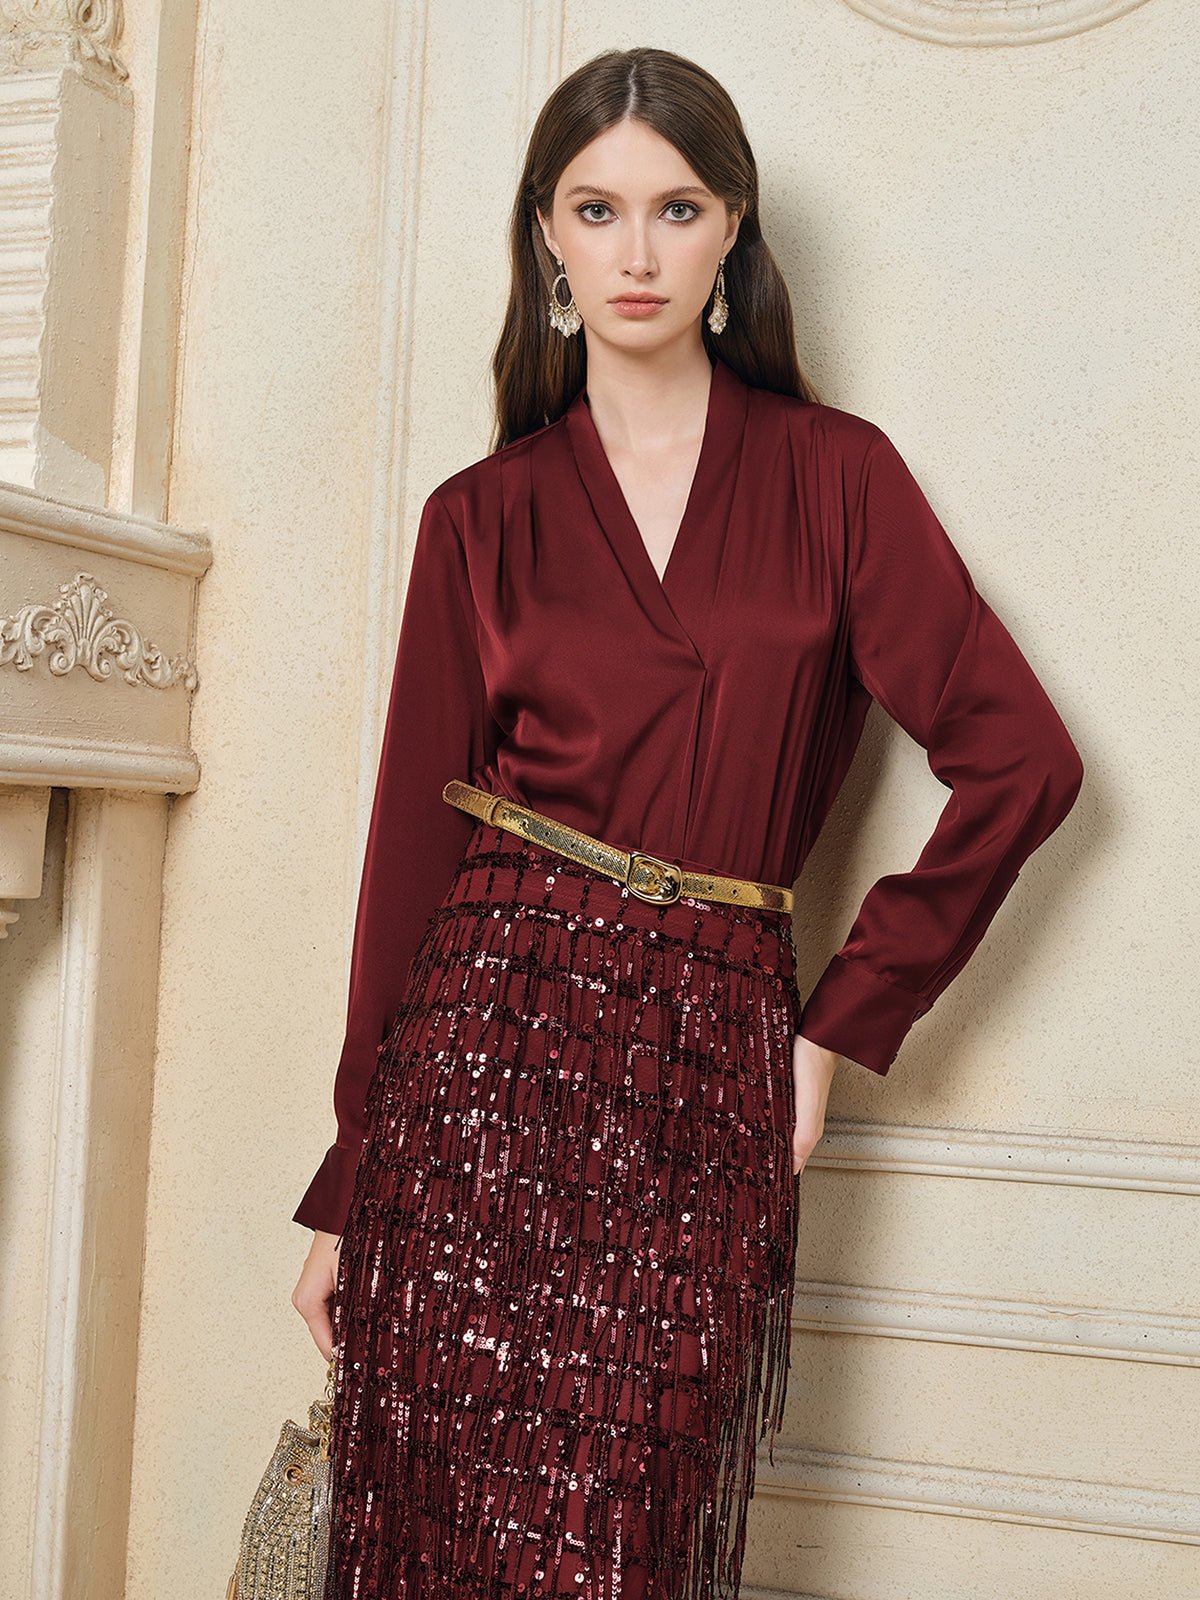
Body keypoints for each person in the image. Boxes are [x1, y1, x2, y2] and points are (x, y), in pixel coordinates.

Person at [290, 45, 1084, 1600]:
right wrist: (351, 1184)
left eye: (677, 207)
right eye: (598, 209)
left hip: (700, 1059)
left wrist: (839, 1024)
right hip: (476, 1066)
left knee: (622, 1543)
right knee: (437, 1541)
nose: (636, 251)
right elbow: (404, 871)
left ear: (734, 234)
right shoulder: (481, 514)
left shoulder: (837, 481)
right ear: (547, 237)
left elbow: (1024, 763)